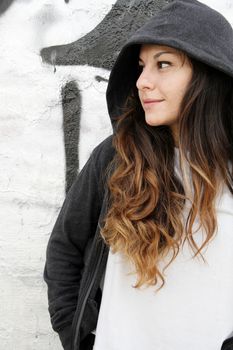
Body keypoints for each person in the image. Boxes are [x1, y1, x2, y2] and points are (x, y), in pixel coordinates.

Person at [44, 0, 233, 349]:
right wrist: (77, 338)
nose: (143, 81)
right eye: (143, 66)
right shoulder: (118, 157)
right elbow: (64, 249)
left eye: (163, 64)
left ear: (209, 74)